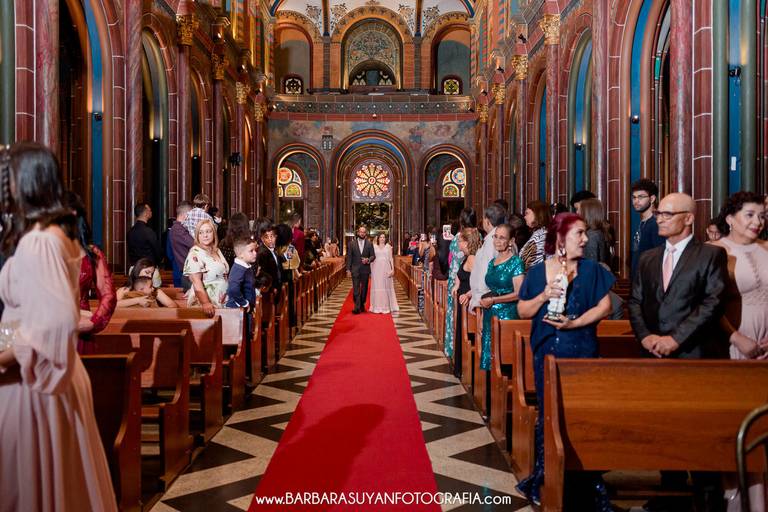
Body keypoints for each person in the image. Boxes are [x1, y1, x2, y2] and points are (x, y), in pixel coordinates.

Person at [0, 142, 117, 511]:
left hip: (34, 380)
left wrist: (4, 357)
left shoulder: (39, 242)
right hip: (51, 375)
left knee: (34, 487)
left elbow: (54, 322)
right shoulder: (58, 236)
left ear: (26, 182)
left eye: (9, 177)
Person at [629, 193, 728, 511]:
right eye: (659, 213)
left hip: (694, 355)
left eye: (667, 214)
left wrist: (675, 339)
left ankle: (706, 496)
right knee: (662, 428)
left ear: (688, 218)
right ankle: (668, 493)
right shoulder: (649, 258)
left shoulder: (710, 255)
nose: (659, 218)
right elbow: (635, 301)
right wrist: (645, 336)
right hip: (654, 356)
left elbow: (713, 302)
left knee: (697, 431)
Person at [515, 213, 615, 509]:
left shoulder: (592, 269)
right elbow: (523, 311)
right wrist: (544, 295)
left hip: (582, 348)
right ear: (560, 238)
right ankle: (547, 475)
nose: (585, 239)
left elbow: (605, 307)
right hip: (547, 351)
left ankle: (585, 480)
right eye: (579, 234)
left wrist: (575, 323)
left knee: (582, 413)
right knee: (550, 413)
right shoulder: (538, 272)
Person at [710, 192, 768, 510]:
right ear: (730, 218)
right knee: (742, 425)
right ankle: (743, 500)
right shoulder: (715, 251)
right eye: (750, 214)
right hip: (735, 345)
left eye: (761, 215)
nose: (757, 221)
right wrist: (736, 338)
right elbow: (710, 306)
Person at [64, 191, 116, 353]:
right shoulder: (39, 250)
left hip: (80, 331)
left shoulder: (91, 253)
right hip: (47, 334)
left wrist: (94, 321)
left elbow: (108, 294)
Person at [478, 223, 525, 371]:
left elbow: (519, 293)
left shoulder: (516, 262)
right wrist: (482, 315)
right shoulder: (492, 263)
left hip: (507, 315)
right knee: (489, 360)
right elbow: (491, 290)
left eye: (502, 238)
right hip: (489, 314)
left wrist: (494, 300)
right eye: (495, 237)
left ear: (511, 241)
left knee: (503, 361)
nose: (497, 241)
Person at [444, 207, 477, 359]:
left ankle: (454, 348)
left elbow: (450, 260)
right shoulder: (479, 235)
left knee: (455, 315)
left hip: (458, 277)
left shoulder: (459, 236)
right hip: (470, 279)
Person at [184, 219, 229, 316]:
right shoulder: (195, 252)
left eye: (208, 231)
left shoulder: (217, 250)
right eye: (201, 232)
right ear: (197, 236)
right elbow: (196, 281)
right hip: (207, 304)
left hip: (222, 301)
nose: (205, 235)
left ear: (214, 233)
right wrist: (205, 303)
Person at [453, 228, 481, 378]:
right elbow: (461, 274)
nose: (458, 243)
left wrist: (468, 294)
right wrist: (457, 285)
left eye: (459, 241)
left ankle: (465, 369)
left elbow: (480, 282)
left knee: (465, 334)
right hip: (462, 298)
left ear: (466, 242)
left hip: (467, 301)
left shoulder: (473, 259)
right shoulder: (467, 257)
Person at [469, 204, 506, 310]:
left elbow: (486, 269)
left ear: (487, 221)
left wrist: (479, 299)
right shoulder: (500, 237)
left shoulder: (492, 241)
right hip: (490, 297)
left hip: (487, 299)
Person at [630, 178, 665, 278]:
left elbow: (660, 257)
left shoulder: (656, 223)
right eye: (634, 197)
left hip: (649, 280)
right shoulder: (643, 222)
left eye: (641, 197)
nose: (636, 201)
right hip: (638, 280)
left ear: (652, 199)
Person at [346, 225, 376, 314]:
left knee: (364, 288)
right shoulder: (351, 244)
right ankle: (357, 307)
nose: (362, 233)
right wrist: (348, 269)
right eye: (360, 232)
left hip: (365, 269)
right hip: (355, 269)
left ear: (365, 233)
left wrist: (368, 260)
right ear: (358, 232)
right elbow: (349, 257)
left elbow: (373, 256)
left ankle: (362, 303)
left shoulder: (369, 244)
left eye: (364, 232)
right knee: (356, 288)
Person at [369, 233, 399, 315]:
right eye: (381, 237)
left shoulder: (388, 247)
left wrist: (393, 269)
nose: (382, 239)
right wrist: (371, 271)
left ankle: (385, 306)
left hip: (386, 268)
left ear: (385, 239)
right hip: (376, 269)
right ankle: (376, 307)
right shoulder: (374, 247)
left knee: (385, 287)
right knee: (377, 286)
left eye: (383, 237)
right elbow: (372, 259)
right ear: (378, 238)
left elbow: (391, 258)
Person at [226, 237, 258, 309]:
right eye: (251, 251)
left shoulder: (245, 267)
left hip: (247, 307)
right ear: (241, 254)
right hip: (238, 309)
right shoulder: (238, 269)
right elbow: (233, 289)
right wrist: (244, 303)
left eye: (255, 250)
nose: (255, 253)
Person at [580, 198, 614, 266]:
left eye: (580, 210)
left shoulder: (592, 235)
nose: (577, 213)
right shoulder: (600, 231)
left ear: (587, 214)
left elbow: (591, 265)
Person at [127, 202, 162, 266]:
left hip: (135, 267)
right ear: (145, 213)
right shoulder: (148, 231)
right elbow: (157, 251)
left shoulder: (130, 231)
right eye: (150, 210)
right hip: (148, 267)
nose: (151, 212)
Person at [169, 201, 194, 290]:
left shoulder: (180, 228)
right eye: (192, 215)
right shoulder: (178, 229)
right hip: (185, 272)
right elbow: (194, 244)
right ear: (186, 214)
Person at [520, 200, 551, 269]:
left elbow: (532, 263)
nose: (524, 217)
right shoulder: (542, 233)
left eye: (527, 213)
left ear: (537, 214)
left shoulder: (541, 236)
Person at [256, 222, 284, 301]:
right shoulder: (262, 253)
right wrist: (272, 288)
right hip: (269, 290)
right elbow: (263, 273)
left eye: (272, 236)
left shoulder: (274, 250)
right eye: (267, 237)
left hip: (277, 287)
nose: (270, 239)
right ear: (262, 239)